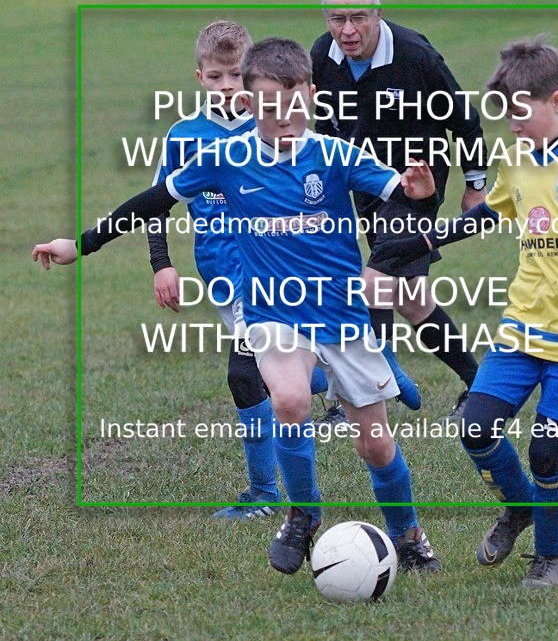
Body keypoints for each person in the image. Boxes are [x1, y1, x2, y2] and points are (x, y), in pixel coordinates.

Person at [33, 37, 442, 576]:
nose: (284, 119)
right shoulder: (224, 159)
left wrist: (421, 193)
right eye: (269, 109)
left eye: (294, 105)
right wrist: (81, 243)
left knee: (376, 446)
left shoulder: (336, 155)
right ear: (248, 106)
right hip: (271, 310)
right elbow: (154, 201)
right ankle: (302, 514)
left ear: (313, 97)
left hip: (341, 315)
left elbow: (403, 197)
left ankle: (408, 537)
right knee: (290, 401)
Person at [373, 37, 558, 586]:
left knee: (547, 453)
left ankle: (551, 555)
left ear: (557, 100)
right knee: (475, 428)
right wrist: (421, 240)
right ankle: (519, 507)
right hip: (520, 329)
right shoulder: (517, 161)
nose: (513, 126)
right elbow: (485, 216)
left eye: (521, 114)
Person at [147, 20, 326, 521]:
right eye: (216, 77)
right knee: (271, 376)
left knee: (243, 377)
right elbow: (155, 205)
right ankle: (324, 373)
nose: (227, 86)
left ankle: (266, 495)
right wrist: (163, 265)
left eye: (234, 76)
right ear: (199, 77)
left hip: (273, 274)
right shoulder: (184, 137)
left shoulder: (270, 127)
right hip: (221, 277)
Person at [311, 0, 487, 424]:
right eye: (337, 19)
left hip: (416, 184)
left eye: (358, 18)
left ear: (378, 13)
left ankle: (366, 387)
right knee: (410, 298)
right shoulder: (322, 57)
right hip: (365, 184)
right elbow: (327, 127)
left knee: (375, 281)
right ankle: (481, 385)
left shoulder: (415, 54)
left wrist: (475, 185)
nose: (347, 30)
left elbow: (464, 119)